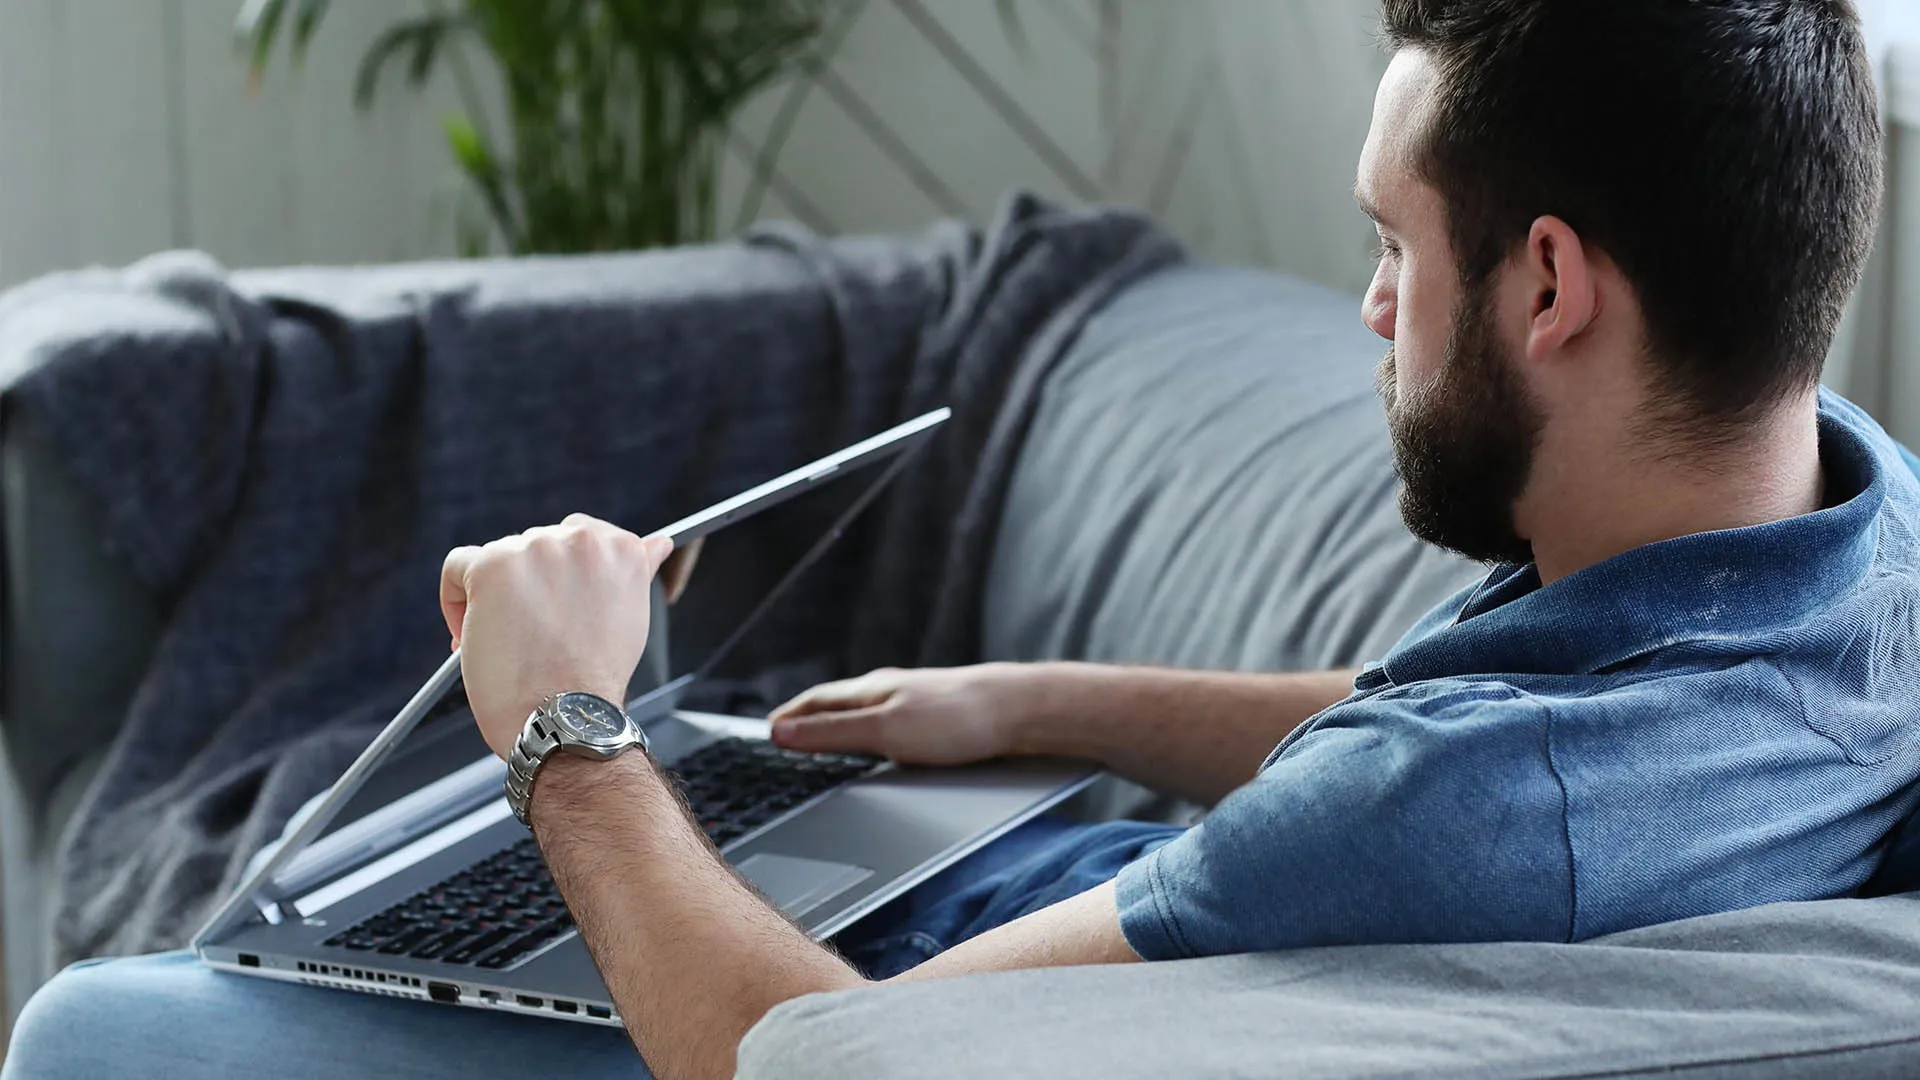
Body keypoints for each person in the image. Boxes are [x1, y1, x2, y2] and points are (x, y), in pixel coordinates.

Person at [7, 2, 1912, 1078]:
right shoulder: (1854, 529)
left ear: (1552, 286)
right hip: (1034, 910)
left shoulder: (1456, 812)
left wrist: (563, 729)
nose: (1371, 309)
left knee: (96, 1030)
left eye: (1395, 248)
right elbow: (1468, 722)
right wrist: (1026, 703)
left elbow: (795, 1059)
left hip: (784, 1009)